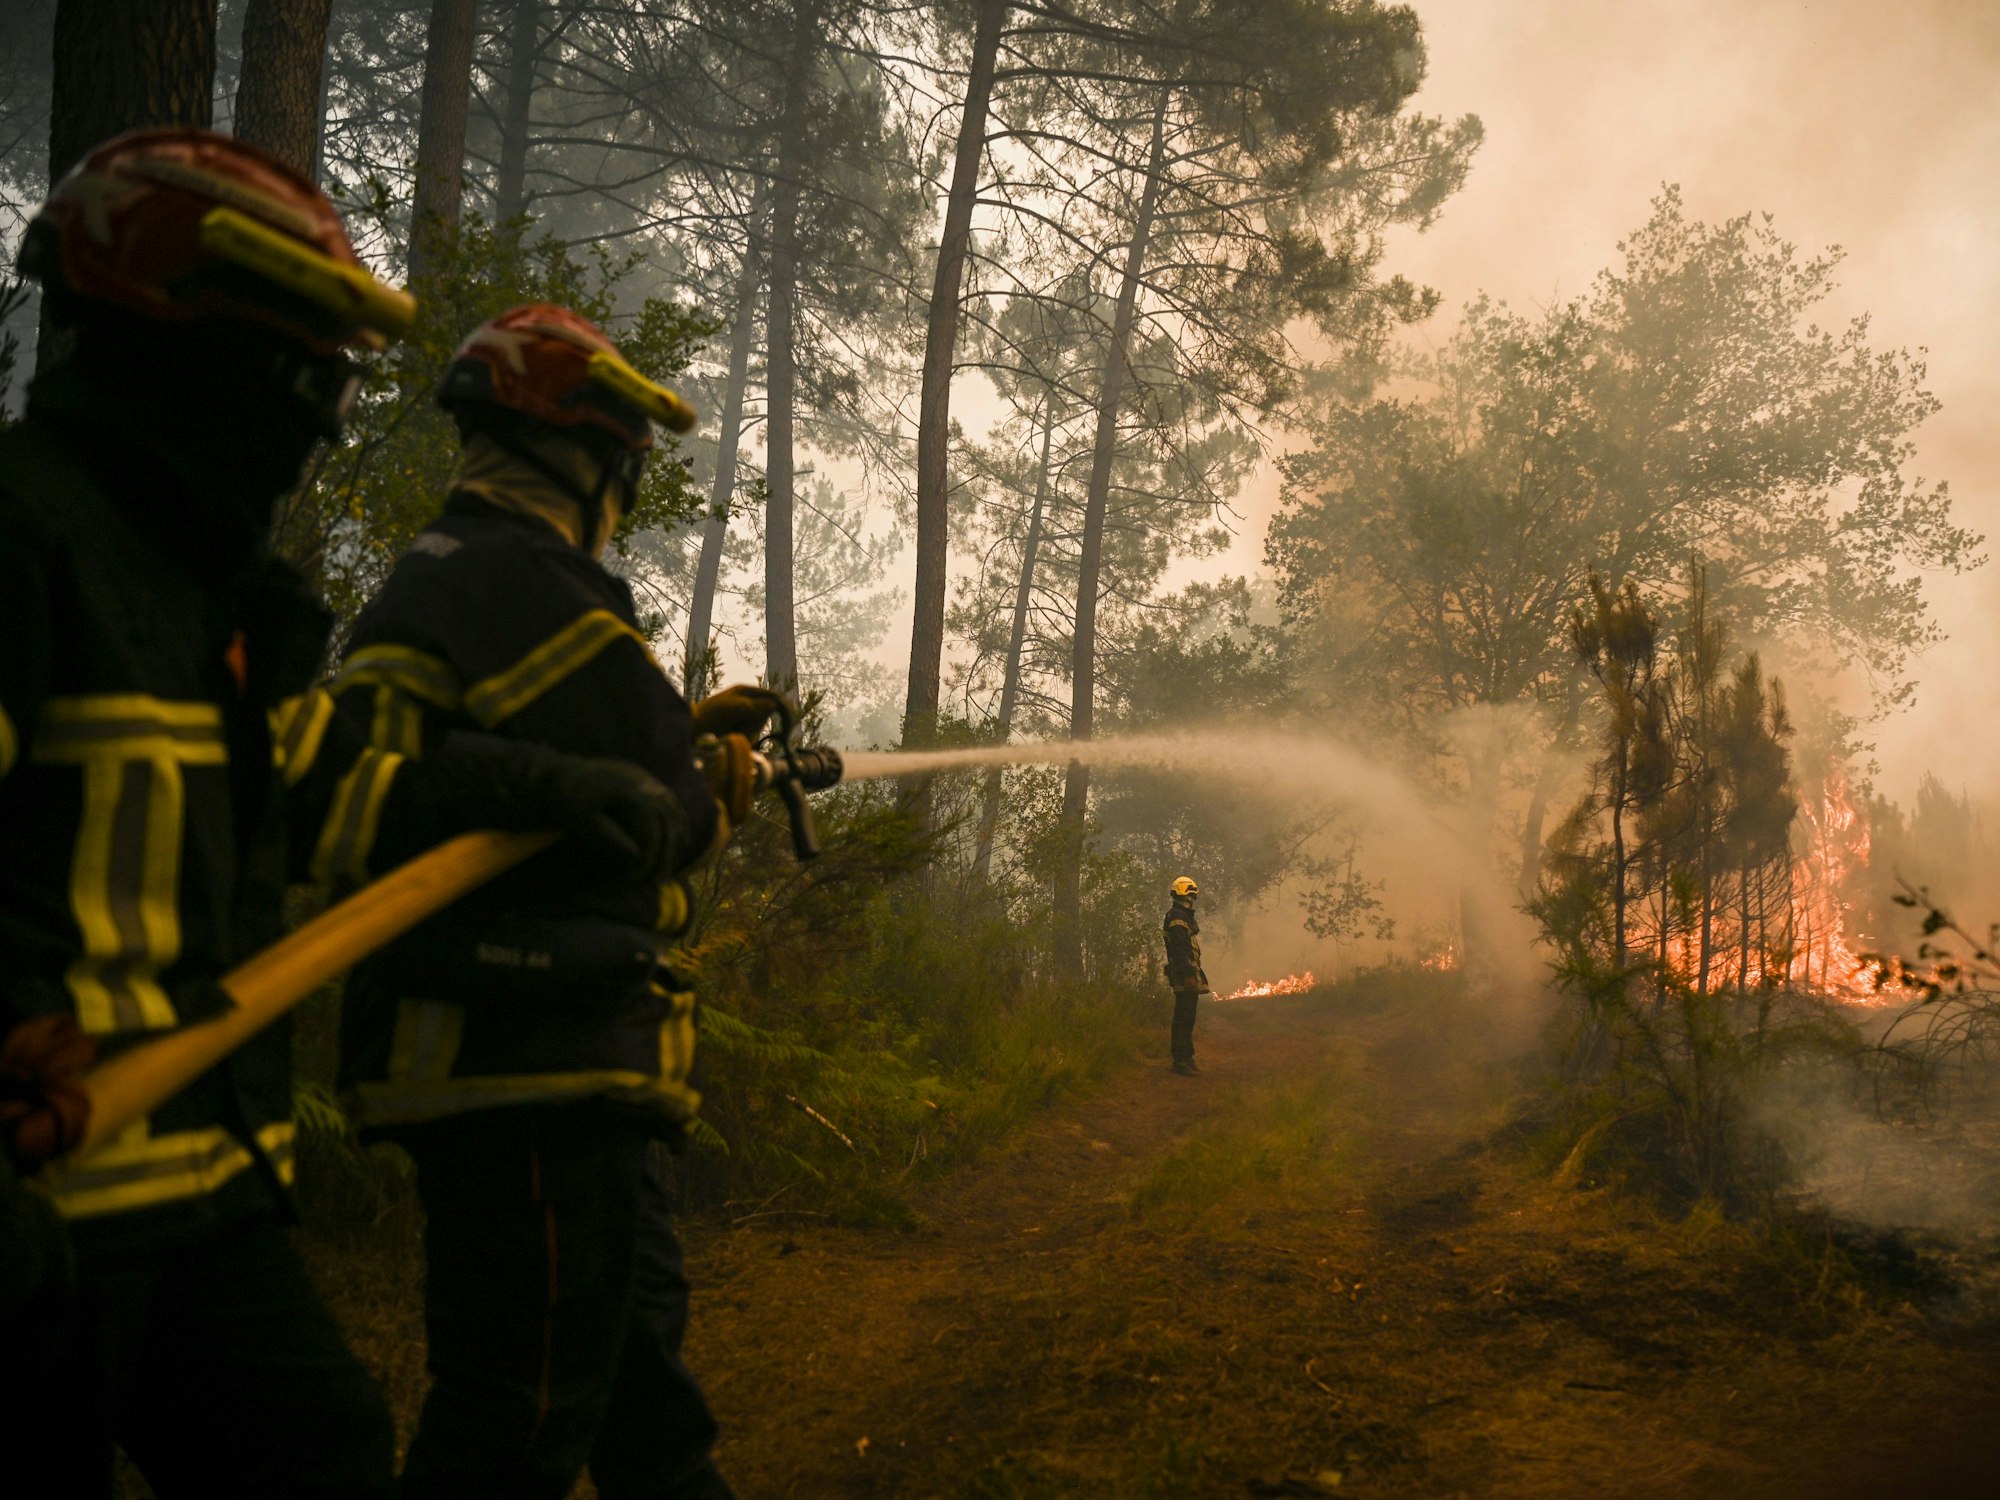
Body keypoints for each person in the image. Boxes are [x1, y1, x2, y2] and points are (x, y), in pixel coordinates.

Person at [0, 129, 704, 1500]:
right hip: (48, 1192)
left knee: (325, 1446)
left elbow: (321, 800)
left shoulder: (216, 603)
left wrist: (560, 786)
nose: (318, 418)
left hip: (194, 1188)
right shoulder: (26, 541)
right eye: (299, 367)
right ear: (183, 344)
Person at [329, 303, 768, 1500]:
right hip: (528, 1063)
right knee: (511, 1427)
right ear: (583, 457)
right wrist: (709, 786)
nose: (620, 494)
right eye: (621, 465)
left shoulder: (443, 577)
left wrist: (683, 742)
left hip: (523, 1059)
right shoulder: (539, 584)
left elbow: (535, 785)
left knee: (646, 1418)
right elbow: (655, 820)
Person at [1163, 876, 1210, 1075]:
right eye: (1192, 895)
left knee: (1186, 1016)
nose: (1193, 900)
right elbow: (1181, 949)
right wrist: (1189, 975)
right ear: (1187, 896)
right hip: (1184, 974)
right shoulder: (1177, 919)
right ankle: (1181, 1060)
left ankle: (1185, 1057)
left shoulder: (1179, 916)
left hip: (1185, 972)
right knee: (1184, 1017)